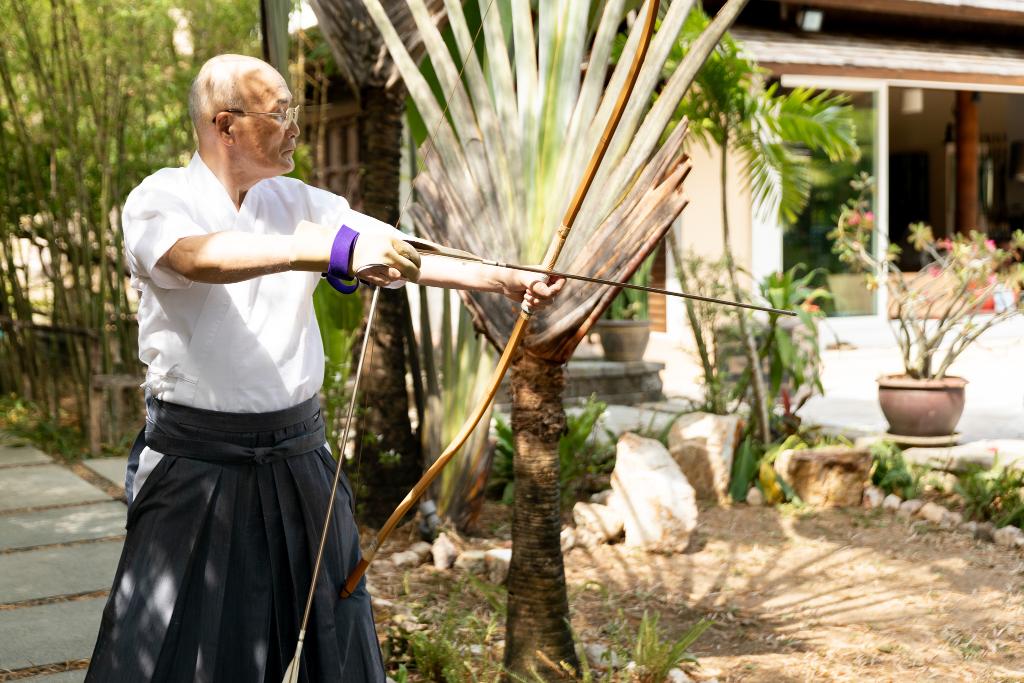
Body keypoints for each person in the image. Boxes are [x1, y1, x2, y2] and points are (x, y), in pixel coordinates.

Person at [86, 54, 563, 683]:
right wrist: (320, 247)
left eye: (294, 111)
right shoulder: (162, 197)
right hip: (195, 462)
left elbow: (403, 253)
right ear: (225, 125)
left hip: (300, 455)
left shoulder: (301, 201)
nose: (294, 126)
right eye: (279, 111)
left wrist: (503, 278)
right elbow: (194, 258)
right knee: (173, 644)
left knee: (336, 643)